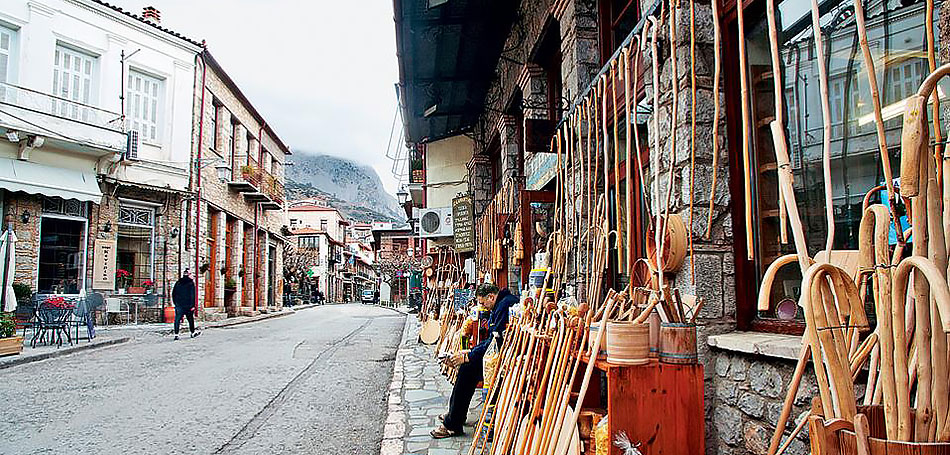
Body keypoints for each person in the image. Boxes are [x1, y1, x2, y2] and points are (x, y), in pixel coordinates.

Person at [430, 283, 516, 439]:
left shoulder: (504, 305)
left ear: (491, 297)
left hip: (505, 357)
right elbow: (492, 338)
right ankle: (455, 417)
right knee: (466, 368)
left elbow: (496, 341)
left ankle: (453, 423)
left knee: (467, 370)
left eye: (483, 302)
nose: (482, 306)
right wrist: (470, 352)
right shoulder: (500, 304)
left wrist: (469, 356)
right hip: (498, 353)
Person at [171, 269, 200, 340]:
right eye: (191, 274)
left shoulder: (178, 282)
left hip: (179, 304)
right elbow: (192, 295)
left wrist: (175, 302)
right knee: (190, 319)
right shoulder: (190, 283)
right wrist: (193, 305)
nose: (192, 276)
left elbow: (173, 293)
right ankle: (192, 332)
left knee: (177, 319)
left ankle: (176, 334)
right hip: (188, 305)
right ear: (189, 275)